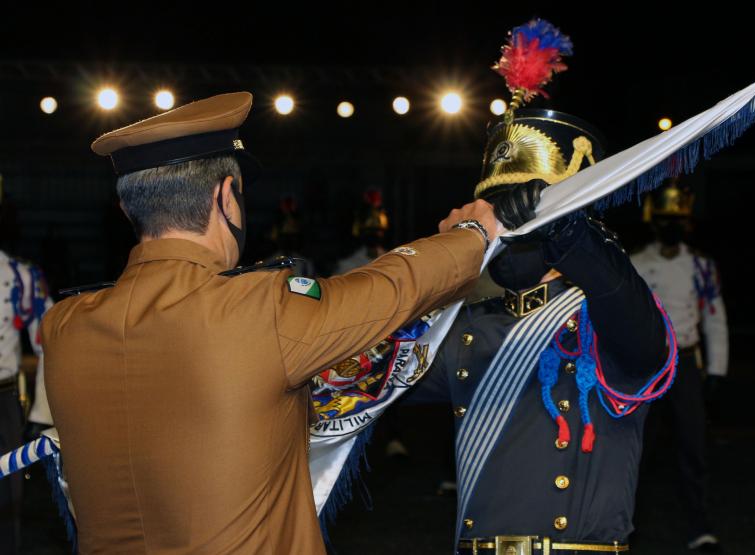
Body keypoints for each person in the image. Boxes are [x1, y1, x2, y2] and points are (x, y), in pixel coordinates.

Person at [40, 92, 509, 554]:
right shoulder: (255, 308)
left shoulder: (64, 328)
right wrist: (474, 232)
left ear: (128, 210)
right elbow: (389, 288)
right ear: (227, 197)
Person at [408, 103, 674, 554]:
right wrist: (441, 263)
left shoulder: (603, 321)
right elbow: (369, 375)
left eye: (521, 218)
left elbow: (639, 327)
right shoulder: (468, 326)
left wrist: (569, 231)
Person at [630, 179, 728, 552]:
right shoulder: (636, 262)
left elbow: (715, 319)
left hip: (686, 363)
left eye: (679, 219)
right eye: (666, 219)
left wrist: (716, 370)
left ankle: (699, 525)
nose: (672, 226)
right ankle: (626, 522)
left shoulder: (701, 266)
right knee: (637, 449)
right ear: (653, 222)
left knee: (693, 448)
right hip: (648, 366)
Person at [0, 240, 53, 554]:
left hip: (4, 399)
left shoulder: (21, 276)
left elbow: (48, 340)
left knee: (8, 491)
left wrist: (41, 412)